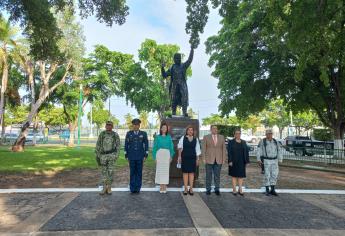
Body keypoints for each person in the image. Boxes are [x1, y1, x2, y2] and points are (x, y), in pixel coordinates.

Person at [161, 47, 194, 117]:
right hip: (175, 86)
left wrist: (192, 49)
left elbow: (190, 60)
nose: (177, 60)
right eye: (175, 59)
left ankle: (184, 112)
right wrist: (162, 68)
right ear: (174, 59)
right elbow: (164, 75)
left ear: (180, 59)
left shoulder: (183, 66)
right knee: (174, 100)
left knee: (184, 98)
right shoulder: (172, 67)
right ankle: (173, 113)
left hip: (182, 85)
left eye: (178, 58)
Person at [95, 121, 121, 195]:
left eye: (110, 125)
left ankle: (109, 187)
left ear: (112, 126)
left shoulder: (115, 135)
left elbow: (118, 146)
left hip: (111, 155)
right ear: (105, 126)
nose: (108, 126)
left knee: (110, 172)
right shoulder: (102, 134)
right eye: (107, 125)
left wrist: (116, 155)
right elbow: (98, 145)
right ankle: (104, 188)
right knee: (103, 172)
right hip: (103, 156)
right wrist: (98, 155)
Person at [125, 118, 149, 194]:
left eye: (137, 125)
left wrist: (146, 155)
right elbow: (126, 144)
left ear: (139, 125)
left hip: (140, 156)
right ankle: (132, 188)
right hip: (131, 156)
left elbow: (146, 144)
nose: (136, 126)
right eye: (134, 125)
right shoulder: (129, 133)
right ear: (133, 125)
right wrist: (126, 155)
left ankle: (138, 188)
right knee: (132, 172)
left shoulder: (143, 133)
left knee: (139, 172)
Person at [256, 129, 283, 196]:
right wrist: (258, 159)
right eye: (268, 134)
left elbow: (279, 150)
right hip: (266, 161)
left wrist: (280, 159)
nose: (269, 135)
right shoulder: (262, 141)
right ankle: (267, 190)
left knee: (274, 175)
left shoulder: (276, 141)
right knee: (267, 175)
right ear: (266, 134)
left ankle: (273, 189)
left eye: (270, 133)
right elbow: (258, 150)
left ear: (272, 134)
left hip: (274, 160)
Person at [202, 125, 227, 196]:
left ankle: (217, 189)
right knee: (208, 175)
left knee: (217, 175)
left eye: (216, 128)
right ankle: (208, 189)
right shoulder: (206, 137)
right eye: (213, 128)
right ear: (210, 130)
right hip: (209, 159)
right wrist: (203, 158)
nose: (215, 130)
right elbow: (203, 148)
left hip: (219, 159)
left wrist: (223, 159)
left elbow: (224, 149)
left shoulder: (222, 137)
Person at [177, 126, 201, 195]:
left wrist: (197, 159)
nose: (190, 131)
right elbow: (180, 148)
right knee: (185, 173)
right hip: (184, 158)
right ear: (187, 131)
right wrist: (179, 157)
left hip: (193, 159)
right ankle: (185, 188)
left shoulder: (195, 139)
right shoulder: (183, 138)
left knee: (191, 173)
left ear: (193, 132)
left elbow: (197, 150)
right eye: (189, 130)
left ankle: (191, 188)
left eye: (191, 130)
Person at [152, 122, 175, 193]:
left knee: (165, 171)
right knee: (159, 171)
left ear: (167, 129)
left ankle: (164, 186)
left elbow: (171, 147)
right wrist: (154, 157)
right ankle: (161, 186)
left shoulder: (169, 137)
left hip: (166, 155)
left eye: (165, 128)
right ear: (161, 129)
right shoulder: (157, 137)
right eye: (163, 128)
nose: (164, 129)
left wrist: (171, 156)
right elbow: (155, 148)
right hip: (159, 155)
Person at [228, 129, 250, 196]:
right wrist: (230, 161)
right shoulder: (231, 142)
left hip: (241, 161)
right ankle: (234, 189)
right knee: (234, 176)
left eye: (239, 133)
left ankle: (240, 189)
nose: (238, 135)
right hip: (233, 161)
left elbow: (246, 152)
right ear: (234, 134)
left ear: (240, 134)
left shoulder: (243, 142)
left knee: (241, 176)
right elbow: (229, 152)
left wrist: (247, 161)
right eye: (236, 133)